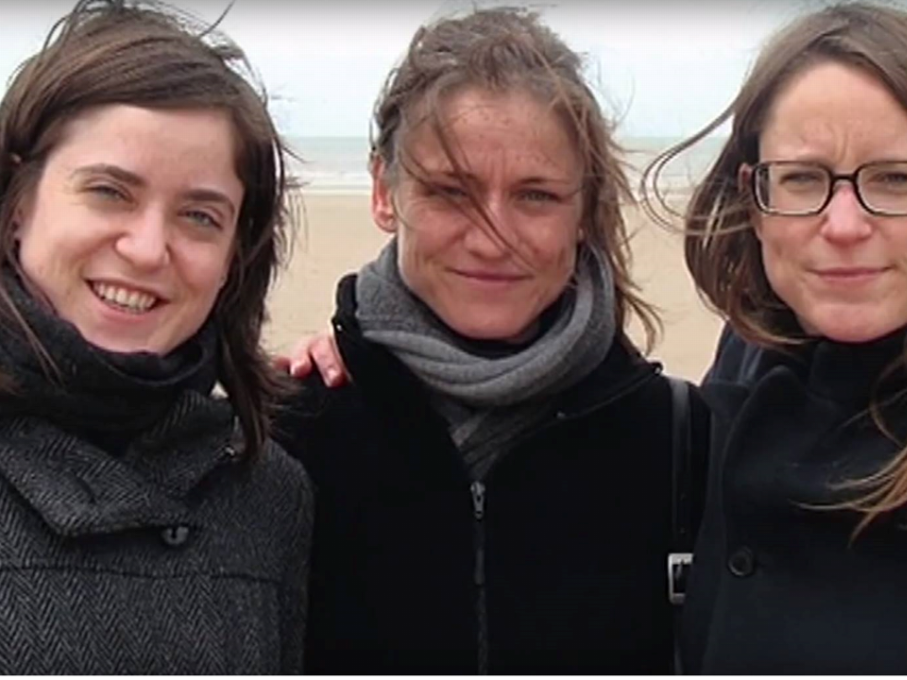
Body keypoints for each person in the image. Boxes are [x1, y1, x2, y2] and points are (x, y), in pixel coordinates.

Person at [273, 7, 709, 675]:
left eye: (535, 196)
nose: (492, 237)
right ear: (385, 192)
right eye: (451, 192)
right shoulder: (285, 435)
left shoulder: (682, 443)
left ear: (583, 211)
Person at [0, 0, 312, 673]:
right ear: (18, 201)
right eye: (110, 191)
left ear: (234, 254)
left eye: (199, 215)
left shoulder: (266, 495)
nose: (146, 249)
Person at [646, 2, 907, 674]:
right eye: (802, 179)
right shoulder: (753, 349)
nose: (843, 225)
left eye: (897, 178)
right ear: (754, 202)